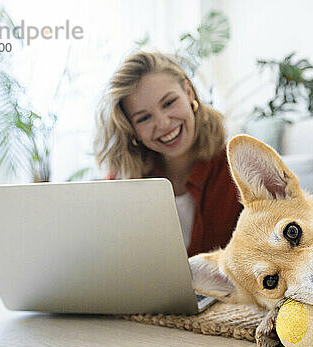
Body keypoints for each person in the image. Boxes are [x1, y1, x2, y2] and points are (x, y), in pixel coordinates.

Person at [94, 52, 242, 257]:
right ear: (132, 129)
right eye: (144, 118)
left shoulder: (236, 166)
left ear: (188, 92)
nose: (163, 124)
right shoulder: (123, 176)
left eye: (169, 102)